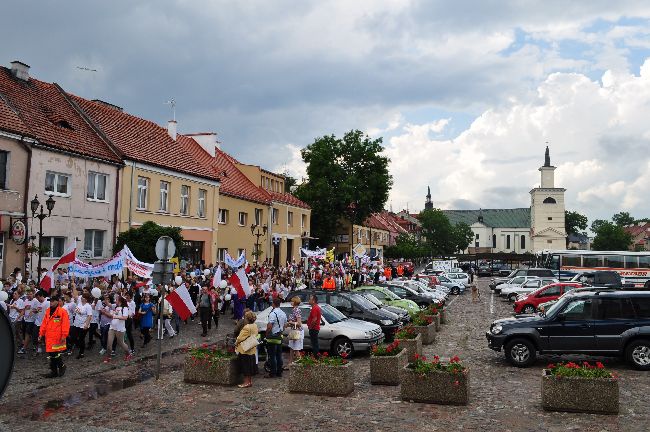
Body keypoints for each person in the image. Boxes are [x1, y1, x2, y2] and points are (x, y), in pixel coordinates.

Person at [38, 294, 69, 378]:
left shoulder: (62, 312)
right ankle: (54, 371)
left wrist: (64, 335)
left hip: (57, 337)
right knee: (51, 354)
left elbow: (65, 324)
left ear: (57, 302)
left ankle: (61, 366)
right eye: (50, 301)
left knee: (55, 353)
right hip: (49, 337)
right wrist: (41, 334)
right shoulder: (48, 311)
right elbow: (44, 323)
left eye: (52, 301)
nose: (51, 303)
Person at [104, 296, 132, 363]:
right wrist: (105, 313)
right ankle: (108, 356)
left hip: (120, 329)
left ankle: (128, 354)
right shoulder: (116, 307)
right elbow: (111, 315)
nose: (115, 300)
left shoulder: (124, 308)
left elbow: (125, 317)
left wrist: (115, 316)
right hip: (112, 327)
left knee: (121, 343)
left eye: (116, 299)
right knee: (109, 343)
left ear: (120, 300)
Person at [235, 311, 259, 388]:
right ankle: (249, 382)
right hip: (252, 348)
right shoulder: (255, 325)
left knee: (245, 367)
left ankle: (246, 382)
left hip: (245, 349)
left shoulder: (247, 327)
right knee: (249, 366)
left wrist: (236, 343)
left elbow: (240, 338)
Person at [265, 297, 287, 378]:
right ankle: (279, 372)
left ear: (273, 304)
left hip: (272, 336)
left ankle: (272, 373)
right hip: (279, 336)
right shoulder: (283, 313)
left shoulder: (272, 313)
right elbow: (285, 325)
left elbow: (270, 326)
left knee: (272, 355)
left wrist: (267, 333)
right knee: (279, 355)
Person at [71, 293, 93, 358]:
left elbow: (89, 316)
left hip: (83, 325)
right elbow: (75, 296)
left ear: (86, 299)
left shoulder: (88, 306)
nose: (81, 298)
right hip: (76, 323)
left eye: (83, 297)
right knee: (73, 337)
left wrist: (86, 324)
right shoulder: (79, 303)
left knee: (81, 339)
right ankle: (79, 345)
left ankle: (81, 353)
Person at [286, 296, 304, 363]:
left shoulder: (296, 310)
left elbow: (299, 323)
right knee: (291, 348)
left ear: (295, 302)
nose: (291, 302)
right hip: (294, 330)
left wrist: (290, 322)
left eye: (292, 301)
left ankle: (300, 365)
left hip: (297, 331)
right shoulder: (294, 309)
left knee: (296, 349)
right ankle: (290, 364)